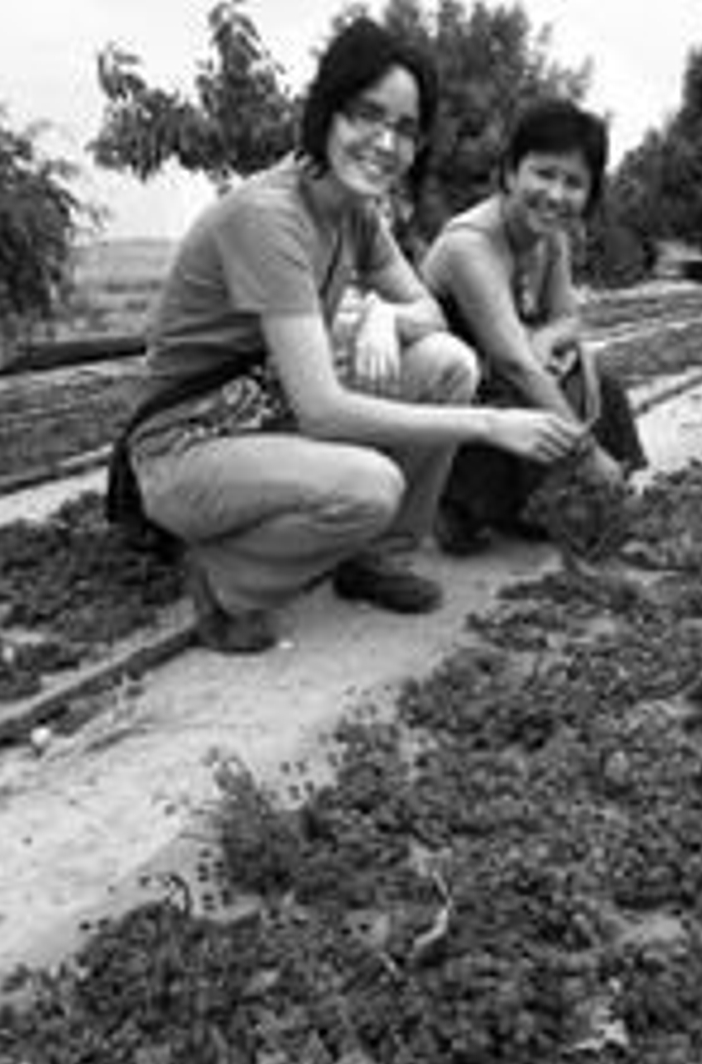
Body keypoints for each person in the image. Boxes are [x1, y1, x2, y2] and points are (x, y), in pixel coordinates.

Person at [114, 19, 586, 654]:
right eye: (367, 115)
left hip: (263, 418)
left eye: (406, 129)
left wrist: (380, 315)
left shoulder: (355, 213)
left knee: (446, 363)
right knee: (369, 486)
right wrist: (490, 425)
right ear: (326, 110)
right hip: (187, 446)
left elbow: (429, 313)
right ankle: (223, 577)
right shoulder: (269, 217)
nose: (386, 143)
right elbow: (324, 410)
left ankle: (372, 558)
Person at [419, 99, 646, 556]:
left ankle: (536, 504)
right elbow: (514, 364)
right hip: (454, 397)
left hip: (500, 377)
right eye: (544, 173)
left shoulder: (550, 238)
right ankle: (452, 501)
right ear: (509, 173)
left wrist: (544, 337)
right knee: (528, 398)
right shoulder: (472, 244)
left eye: (574, 183)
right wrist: (587, 455)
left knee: (600, 380)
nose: (557, 194)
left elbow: (570, 319)